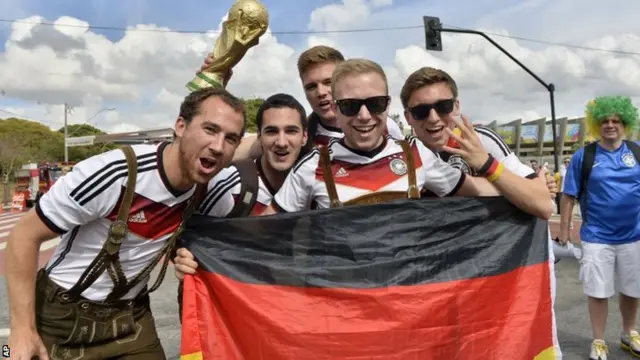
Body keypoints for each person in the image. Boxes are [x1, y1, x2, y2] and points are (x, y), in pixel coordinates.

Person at [4, 87, 246, 360]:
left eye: (231, 138)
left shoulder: (212, 189)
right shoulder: (114, 173)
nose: (218, 146)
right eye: (210, 129)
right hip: (60, 316)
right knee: (10, 353)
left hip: (131, 318)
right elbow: (23, 235)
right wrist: (21, 331)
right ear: (180, 126)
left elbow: (268, 145)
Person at [198, 45, 405, 160]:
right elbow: (223, 151)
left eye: (328, 83)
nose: (321, 93)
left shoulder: (386, 127)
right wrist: (214, 88)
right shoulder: (296, 135)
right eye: (311, 87)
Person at [399, 66, 555, 218]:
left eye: (442, 106)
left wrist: (486, 163)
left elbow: (544, 206)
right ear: (408, 117)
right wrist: (511, 186)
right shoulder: (401, 155)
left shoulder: (482, 139)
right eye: (421, 111)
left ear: (456, 106)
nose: (433, 118)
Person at [560, 96, 640, 360]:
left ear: (624, 123)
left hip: (634, 236)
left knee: (632, 289)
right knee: (598, 291)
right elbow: (568, 195)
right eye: (604, 120)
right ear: (597, 124)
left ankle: (629, 333)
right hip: (597, 237)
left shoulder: (637, 152)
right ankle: (598, 341)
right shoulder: (585, 156)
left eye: (616, 120)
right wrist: (564, 228)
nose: (610, 125)